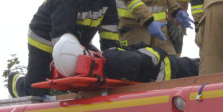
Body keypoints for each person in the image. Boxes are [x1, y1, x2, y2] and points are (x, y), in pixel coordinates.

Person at [8, 0, 126, 97]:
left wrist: (111, 56)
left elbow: (110, 29)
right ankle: (16, 82)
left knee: (98, 74)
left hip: (74, 41)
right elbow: (61, 37)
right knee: (36, 92)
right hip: (45, 40)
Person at [51, 34, 200, 84]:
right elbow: (151, 57)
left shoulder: (96, 75)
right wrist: (141, 48)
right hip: (174, 70)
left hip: (163, 78)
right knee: (205, 69)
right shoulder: (111, 58)